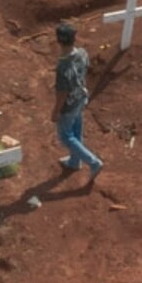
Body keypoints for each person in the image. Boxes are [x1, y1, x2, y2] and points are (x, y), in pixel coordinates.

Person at [51, 21, 101, 183]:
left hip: (69, 105)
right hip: (81, 97)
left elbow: (62, 93)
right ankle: (74, 161)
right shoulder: (83, 53)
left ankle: (93, 162)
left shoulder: (63, 67)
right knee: (76, 129)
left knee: (66, 136)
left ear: (59, 41)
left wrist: (56, 111)